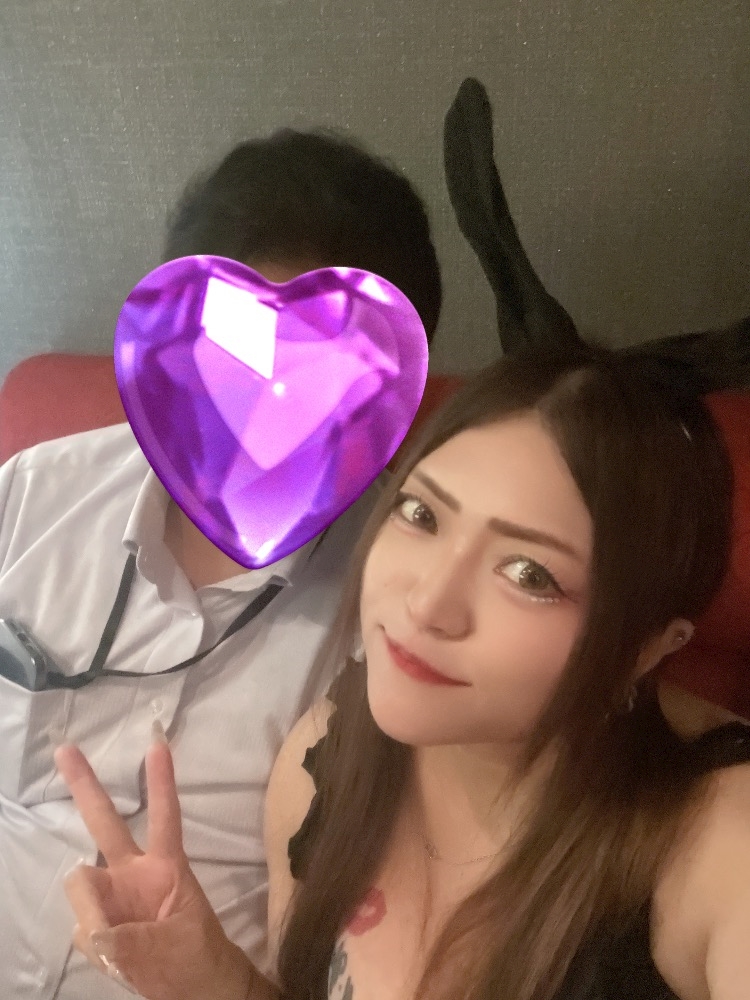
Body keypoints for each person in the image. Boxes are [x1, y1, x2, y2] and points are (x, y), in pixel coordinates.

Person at [58, 346, 750, 1000]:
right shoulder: (327, 758)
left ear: (648, 648)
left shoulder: (715, 840)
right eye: (421, 514)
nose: (427, 604)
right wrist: (213, 978)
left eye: (529, 573)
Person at [0, 128, 441, 1000]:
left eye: (316, 374)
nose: (265, 402)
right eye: (232, 353)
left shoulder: (409, 603)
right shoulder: (34, 492)